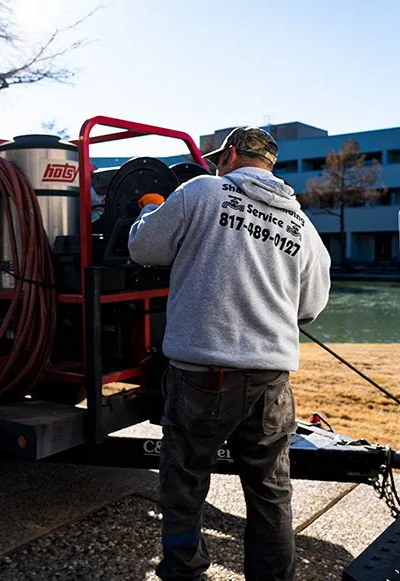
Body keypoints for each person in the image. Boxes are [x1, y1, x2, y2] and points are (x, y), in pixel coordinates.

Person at [128, 126, 331, 580]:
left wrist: (150, 209)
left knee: (184, 485)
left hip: (202, 374)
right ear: (271, 165)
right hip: (270, 382)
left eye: (221, 157)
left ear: (231, 155)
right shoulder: (303, 226)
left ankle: (186, 573)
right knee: (270, 492)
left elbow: (143, 248)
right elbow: (311, 306)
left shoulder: (201, 192)